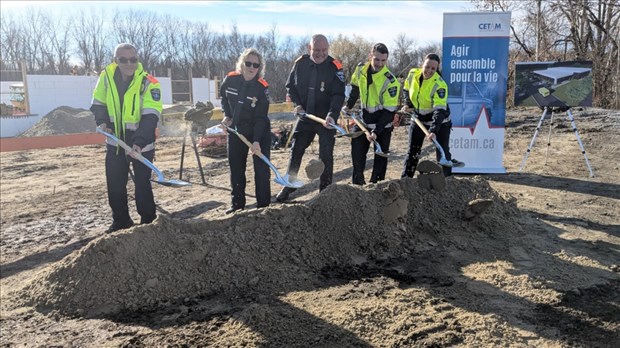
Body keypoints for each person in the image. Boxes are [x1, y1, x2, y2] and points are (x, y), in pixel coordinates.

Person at [91, 43, 162, 232]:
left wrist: (138, 143)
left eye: (133, 60)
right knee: (115, 184)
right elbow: (98, 103)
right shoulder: (106, 78)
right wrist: (102, 121)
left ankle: (148, 222)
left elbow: (151, 116)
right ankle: (121, 220)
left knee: (142, 185)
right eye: (123, 60)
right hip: (115, 142)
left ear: (137, 60)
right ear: (116, 60)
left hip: (141, 143)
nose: (129, 64)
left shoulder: (149, 82)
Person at [276, 34, 346, 202]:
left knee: (325, 155)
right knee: (296, 150)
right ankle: (289, 184)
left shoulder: (335, 67)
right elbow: (290, 87)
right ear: (309, 48)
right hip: (306, 116)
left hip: (325, 119)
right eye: (317, 50)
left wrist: (332, 115)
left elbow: (338, 94)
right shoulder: (300, 64)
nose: (321, 54)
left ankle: (325, 190)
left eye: (324, 50)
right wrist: (297, 105)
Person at [220, 48, 271, 214]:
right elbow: (224, 99)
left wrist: (256, 141)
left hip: (259, 130)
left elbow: (261, 118)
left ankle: (263, 206)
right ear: (241, 63)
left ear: (259, 68)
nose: (251, 67)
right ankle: (237, 205)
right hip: (236, 130)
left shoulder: (261, 88)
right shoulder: (230, 80)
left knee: (261, 170)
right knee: (236, 168)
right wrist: (227, 115)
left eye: (256, 65)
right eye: (248, 63)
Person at [343, 43, 400, 185]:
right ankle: (358, 186)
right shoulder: (361, 69)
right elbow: (355, 88)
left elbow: (389, 111)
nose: (379, 64)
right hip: (363, 121)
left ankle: (377, 187)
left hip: (383, 124)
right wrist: (348, 105)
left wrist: (376, 131)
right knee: (357, 156)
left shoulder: (391, 81)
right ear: (370, 56)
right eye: (376, 59)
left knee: (380, 160)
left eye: (383, 61)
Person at [401, 53, 458, 177]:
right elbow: (406, 89)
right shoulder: (412, 75)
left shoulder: (440, 85)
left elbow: (440, 111)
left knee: (442, 152)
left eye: (433, 68)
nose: (429, 71)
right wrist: (408, 103)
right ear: (422, 63)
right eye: (427, 67)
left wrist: (433, 130)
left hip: (440, 122)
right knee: (413, 151)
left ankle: (447, 182)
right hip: (418, 120)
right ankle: (406, 180)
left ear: (437, 69)